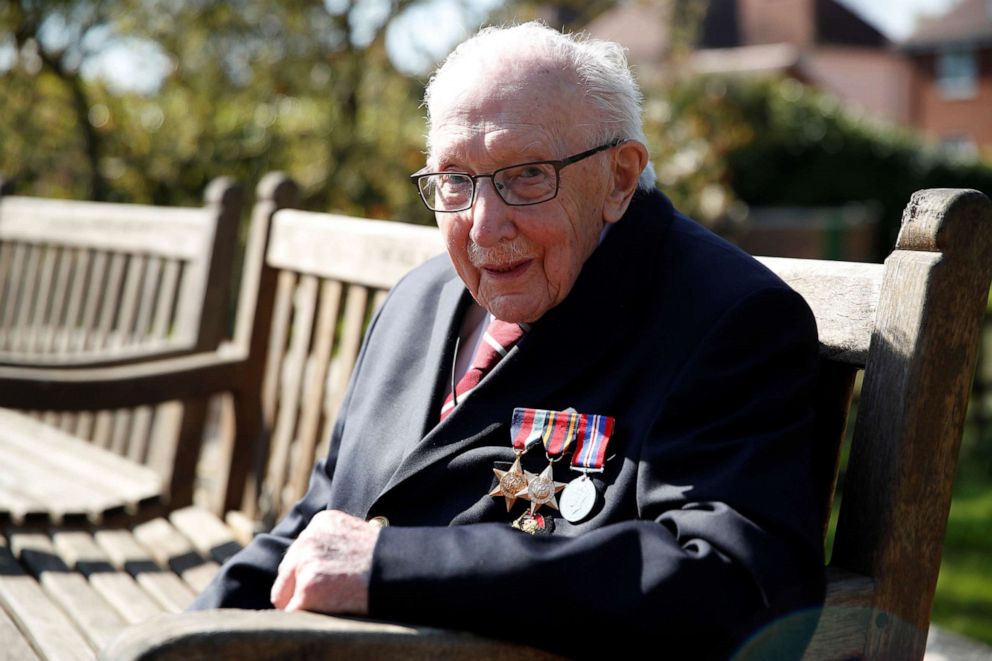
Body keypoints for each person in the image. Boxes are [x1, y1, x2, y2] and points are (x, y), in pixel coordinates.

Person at [192, 22, 825, 658]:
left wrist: (391, 566)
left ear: (620, 177)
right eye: (455, 181)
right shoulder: (417, 299)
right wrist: (178, 637)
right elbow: (322, 520)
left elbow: (729, 578)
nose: (484, 226)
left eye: (526, 175)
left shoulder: (730, 320)